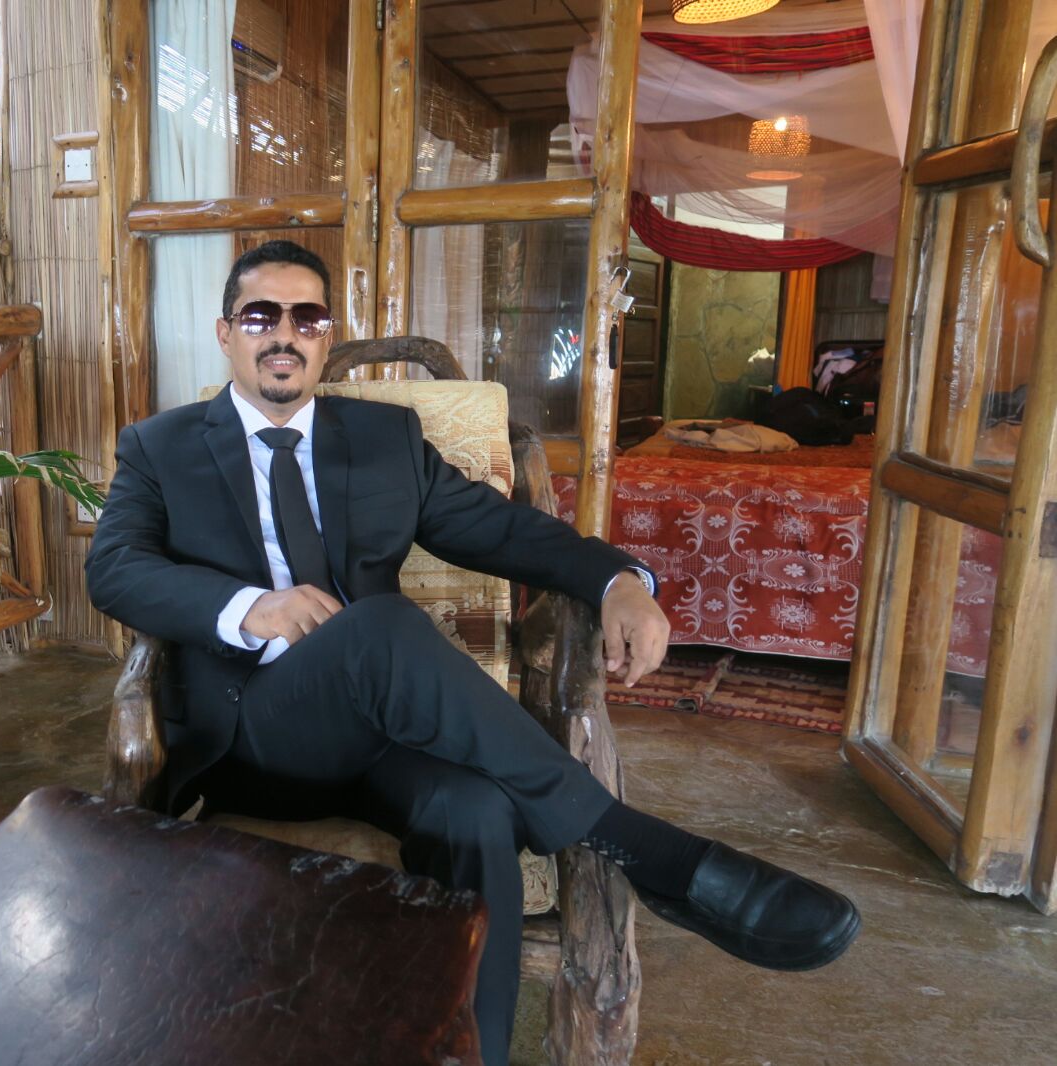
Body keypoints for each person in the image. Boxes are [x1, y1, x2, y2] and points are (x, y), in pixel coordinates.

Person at [85, 240, 859, 1065]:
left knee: (476, 809)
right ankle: (641, 847)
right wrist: (252, 608)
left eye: (305, 317)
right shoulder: (160, 446)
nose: (284, 334)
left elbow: (502, 530)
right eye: (259, 316)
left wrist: (617, 583)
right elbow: (115, 567)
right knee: (379, 626)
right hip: (252, 730)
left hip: (382, 737)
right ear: (225, 333)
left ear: (324, 333)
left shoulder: (382, 438)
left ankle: (472, 1053)